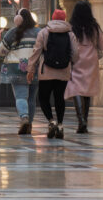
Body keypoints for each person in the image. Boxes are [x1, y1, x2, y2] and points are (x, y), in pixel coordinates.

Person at [27, 8, 79, 139]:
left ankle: (51, 121)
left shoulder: (44, 32)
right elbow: (75, 53)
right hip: (63, 72)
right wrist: (71, 63)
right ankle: (60, 125)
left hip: (46, 72)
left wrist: (31, 69)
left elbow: (36, 52)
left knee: (43, 98)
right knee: (59, 98)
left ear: (52, 18)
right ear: (64, 19)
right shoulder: (70, 34)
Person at [0, 8, 40, 134]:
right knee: (31, 98)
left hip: (17, 69)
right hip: (35, 68)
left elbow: (1, 50)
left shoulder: (12, 32)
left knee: (21, 96)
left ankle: (24, 118)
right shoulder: (38, 32)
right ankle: (29, 124)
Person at [65, 0, 103, 133]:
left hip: (76, 60)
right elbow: (102, 46)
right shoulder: (94, 27)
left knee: (75, 88)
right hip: (91, 61)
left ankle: (80, 119)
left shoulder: (71, 27)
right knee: (87, 92)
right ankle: (85, 121)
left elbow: (68, 44)